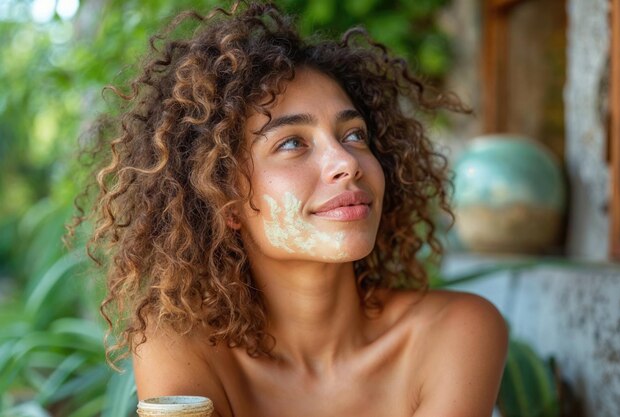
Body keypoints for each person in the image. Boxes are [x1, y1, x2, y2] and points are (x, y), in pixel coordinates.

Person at [82, 1, 508, 416]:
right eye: (292, 143)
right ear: (223, 200)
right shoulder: (182, 350)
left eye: (354, 135)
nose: (346, 163)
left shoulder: (456, 332)